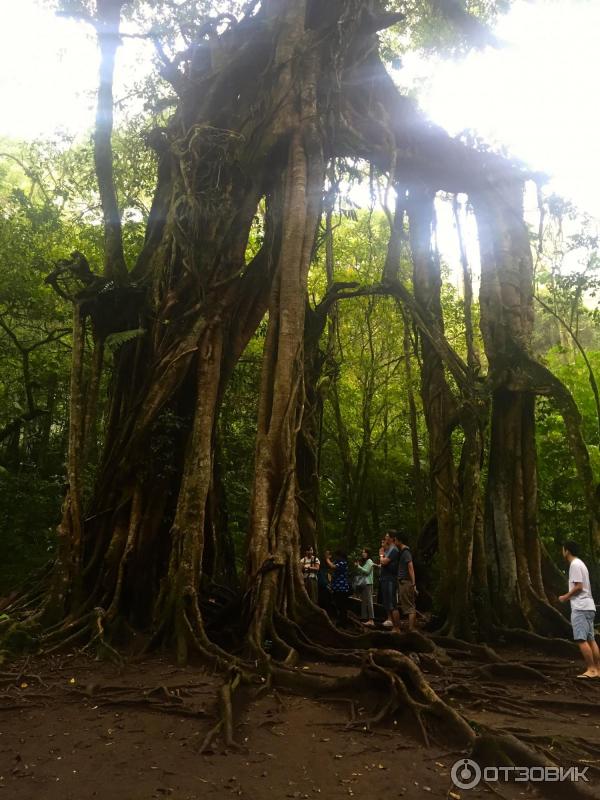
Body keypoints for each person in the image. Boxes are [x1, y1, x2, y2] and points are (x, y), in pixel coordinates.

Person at [559, 540, 599, 678]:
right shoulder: (581, 563)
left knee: (581, 640)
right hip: (589, 606)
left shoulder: (575, 565)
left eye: (563, 549)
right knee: (590, 639)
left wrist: (565, 597)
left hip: (580, 607)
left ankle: (591, 669)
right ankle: (598, 669)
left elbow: (578, 586)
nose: (562, 551)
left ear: (567, 551)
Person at [379, 531, 400, 631]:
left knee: (392, 603)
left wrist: (381, 555)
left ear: (392, 538)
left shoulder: (394, 550)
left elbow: (384, 562)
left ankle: (397, 628)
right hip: (385, 578)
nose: (385, 537)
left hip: (390, 579)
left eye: (387, 536)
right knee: (387, 602)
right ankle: (390, 621)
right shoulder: (388, 549)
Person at [395, 532, 417, 631]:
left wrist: (413, 583)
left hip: (406, 582)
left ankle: (411, 628)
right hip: (403, 581)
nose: (394, 542)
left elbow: (410, 567)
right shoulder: (402, 552)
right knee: (407, 605)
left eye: (395, 540)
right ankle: (410, 628)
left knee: (410, 606)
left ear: (400, 541)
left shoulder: (406, 552)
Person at [326, 550, 350, 626]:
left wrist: (327, 558)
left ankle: (344, 622)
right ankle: (341, 621)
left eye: (336, 556)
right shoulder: (338, 561)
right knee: (338, 605)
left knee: (342, 605)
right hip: (337, 587)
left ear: (340, 556)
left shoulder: (343, 563)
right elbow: (331, 565)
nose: (335, 557)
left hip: (342, 588)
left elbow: (332, 566)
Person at [355, 548, 375, 625]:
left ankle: (371, 619)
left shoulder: (370, 561)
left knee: (369, 601)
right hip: (364, 583)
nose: (363, 553)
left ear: (368, 553)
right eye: (362, 552)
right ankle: (364, 618)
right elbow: (362, 571)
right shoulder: (365, 562)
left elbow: (367, 572)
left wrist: (359, 566)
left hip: (368, 583)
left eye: (364, 552)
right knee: (363, 601)